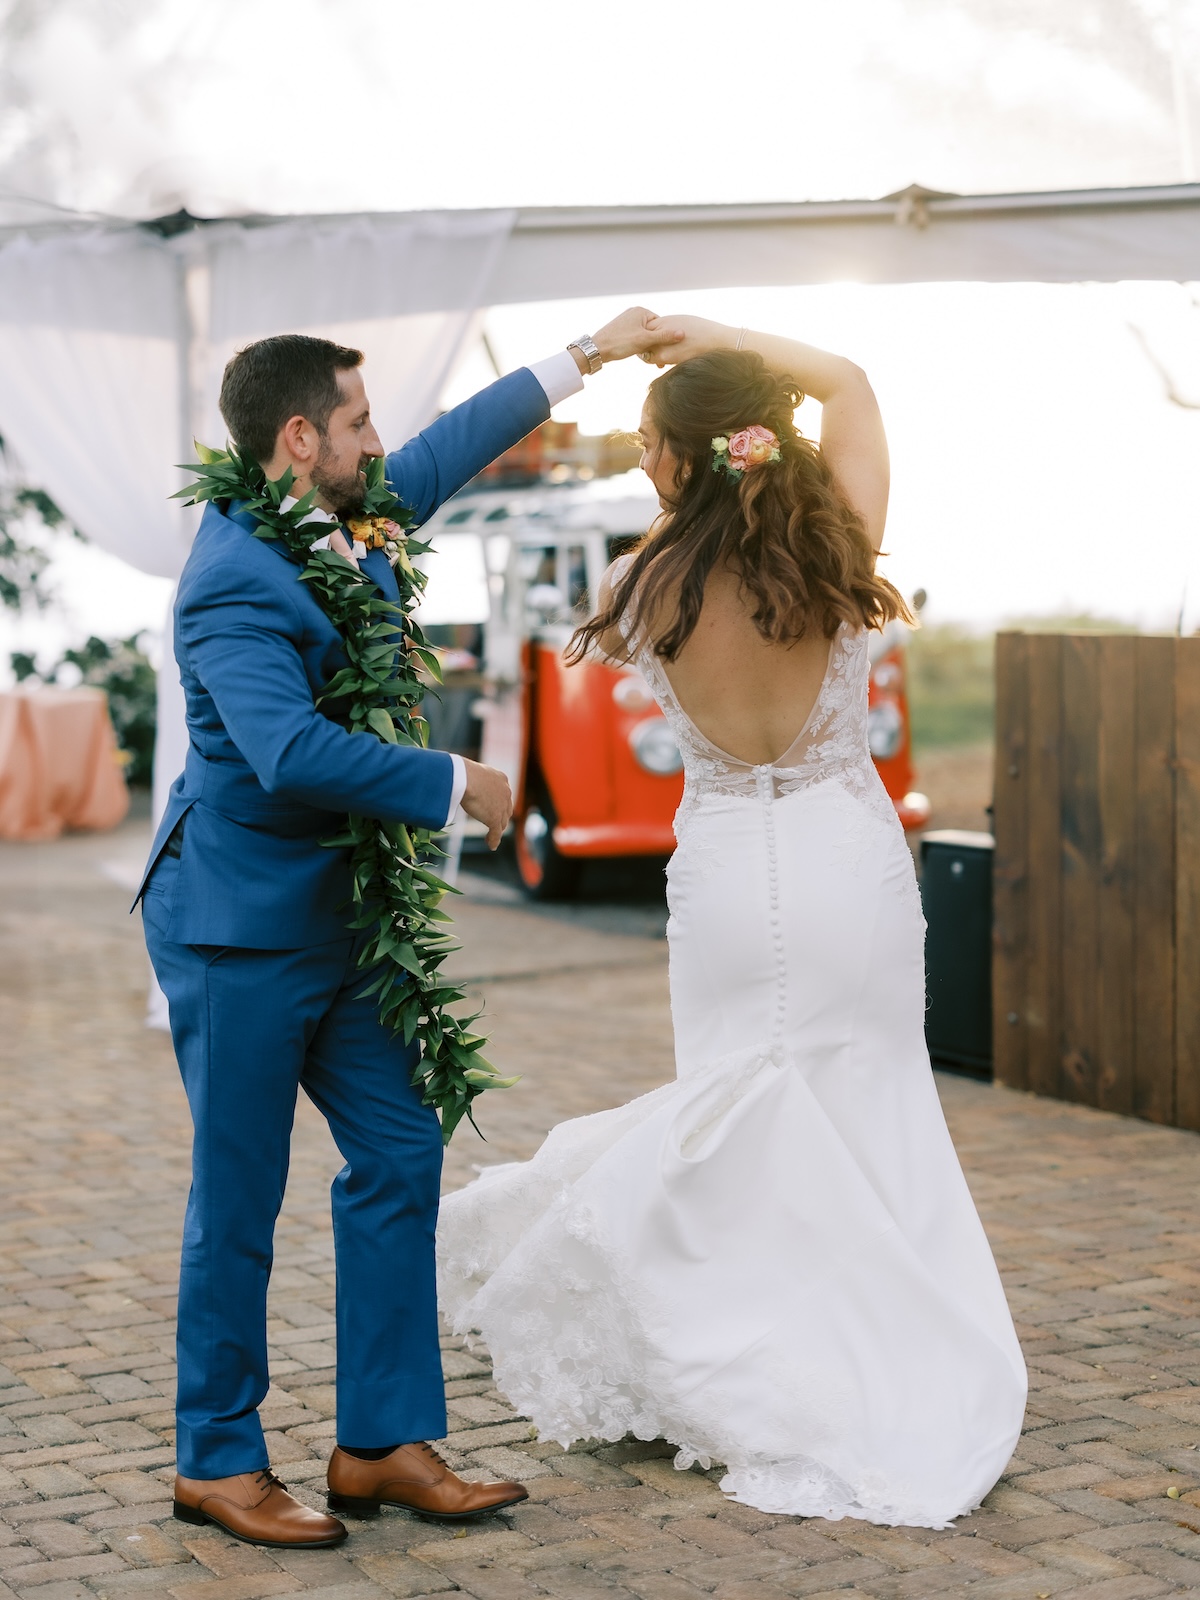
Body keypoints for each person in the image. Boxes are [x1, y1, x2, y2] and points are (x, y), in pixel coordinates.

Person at [436, 316, 1028, 1527]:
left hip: (720, 879)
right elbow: (853, 379)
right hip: (845, 865)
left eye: (656, 445)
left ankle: (738, 1344)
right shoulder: (835, 551)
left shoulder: (639, 582)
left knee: (729, 1103)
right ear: (760, 437)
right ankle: (877, 1343)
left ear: (679, 459)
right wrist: (706, 340)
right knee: (865, 1096)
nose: (647, 463)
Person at [133, 308, 682, 1548]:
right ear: (294, 440)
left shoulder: (350, 509)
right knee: (240, 1196)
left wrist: (586, 355)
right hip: (237, 927)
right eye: (358, 423)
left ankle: (378, 1441)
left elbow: (448, 448)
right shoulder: (231, 581)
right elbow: (283, 751)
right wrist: (455, 779)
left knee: (398, 1150)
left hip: (342, 918)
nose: (381, 444)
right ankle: (214, 1459)